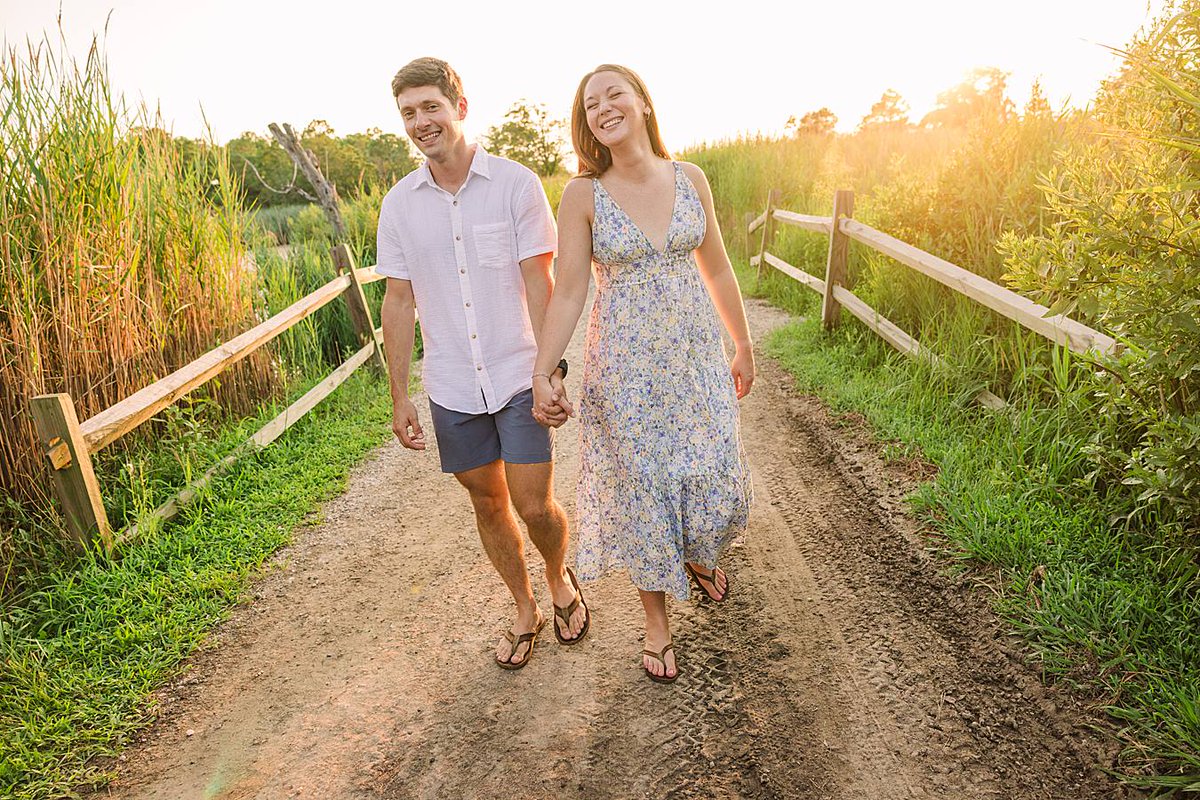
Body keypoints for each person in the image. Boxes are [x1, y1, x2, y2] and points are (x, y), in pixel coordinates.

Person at [531, 64, 754, 683]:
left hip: (695, 358)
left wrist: (743, 343)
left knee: (718, 479)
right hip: (625, 369)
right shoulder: (582, 195)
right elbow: (570, 289)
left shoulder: (691, 179)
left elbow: (720, 269)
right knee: (645, 492)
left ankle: (697, 552)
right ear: (587, 123)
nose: (603, 108)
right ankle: (656, 625)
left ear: (643, 103)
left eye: (614, 94)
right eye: (590, 104)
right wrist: (543, 369)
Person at [376, 57, 589, 670]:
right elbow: (398, 300)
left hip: (518, 375)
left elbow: (541, 282)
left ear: (459, 108)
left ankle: (558, 579)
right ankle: (524, 608)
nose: (421, 122)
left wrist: (549, 371)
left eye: (430, 108)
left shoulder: (517, 185)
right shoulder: (399, 206)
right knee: (488, 506)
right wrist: (400, 396)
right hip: (450, 387)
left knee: (533, 505)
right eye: (409, 113)